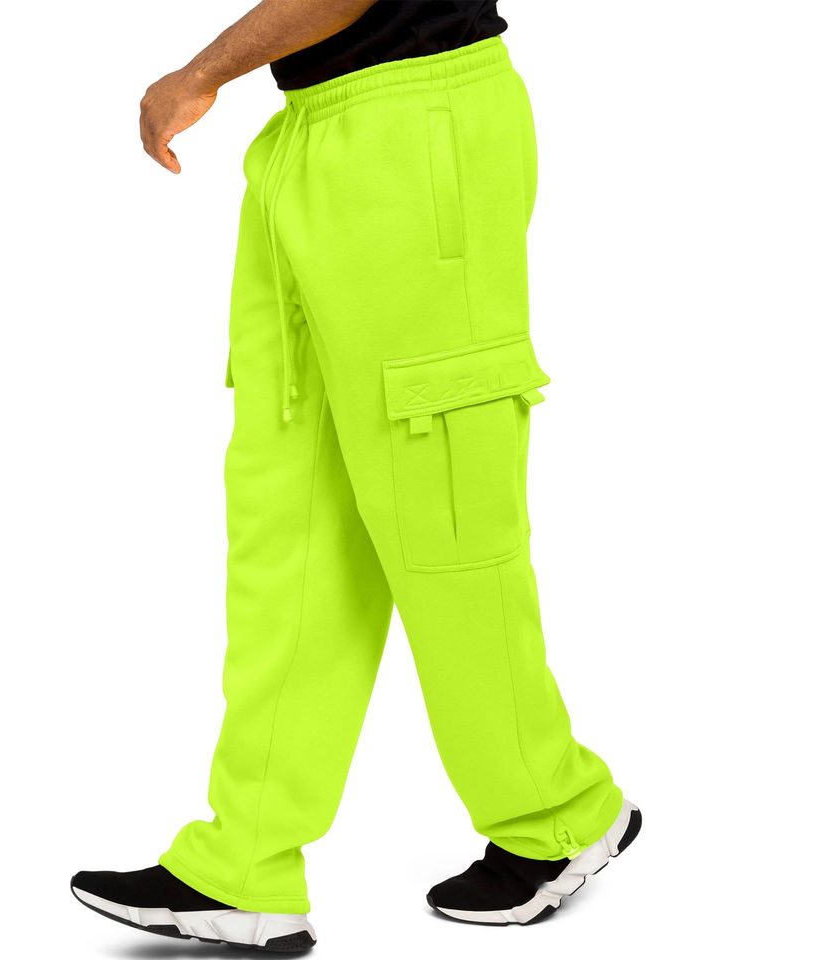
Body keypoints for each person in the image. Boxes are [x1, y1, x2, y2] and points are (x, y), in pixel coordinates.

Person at [71, 2, 640, 951]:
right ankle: (244, 862)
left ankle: (558, 813)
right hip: (316, 131)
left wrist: (203, 72)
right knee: (291, 528)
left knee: (444, 521)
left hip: (418, 123)